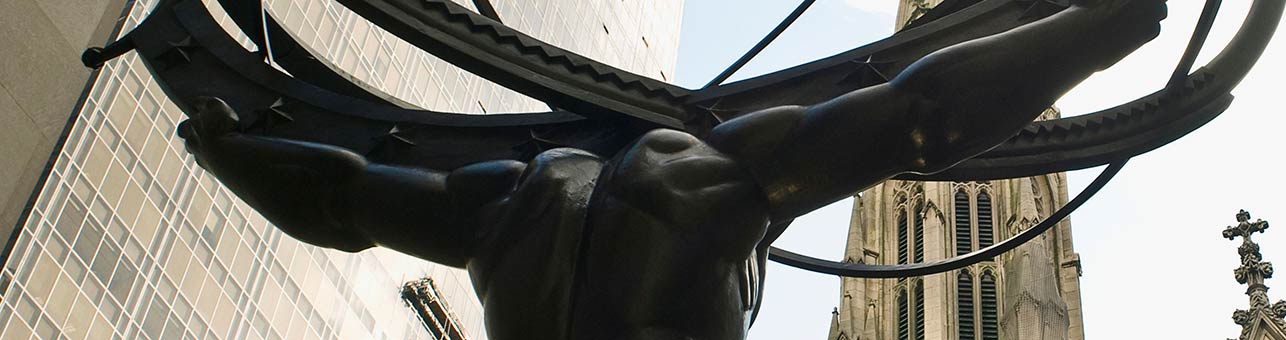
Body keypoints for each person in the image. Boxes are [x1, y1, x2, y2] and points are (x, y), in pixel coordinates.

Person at [178, 0, 1166, 338]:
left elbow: (344, 197)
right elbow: (920, 119)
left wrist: (227, 147)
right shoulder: (710, 187)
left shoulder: (509, 202)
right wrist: (1105, 28)